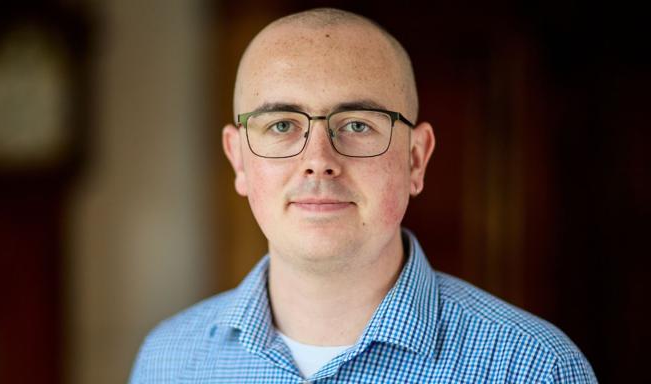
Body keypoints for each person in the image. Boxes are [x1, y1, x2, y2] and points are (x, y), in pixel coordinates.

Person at [129, 7, 597, 383]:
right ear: (239, 160)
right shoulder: (167, 361)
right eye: (281, 125)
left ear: (416, 159)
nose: (318, 159)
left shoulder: (533, 368)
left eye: (356, 125)